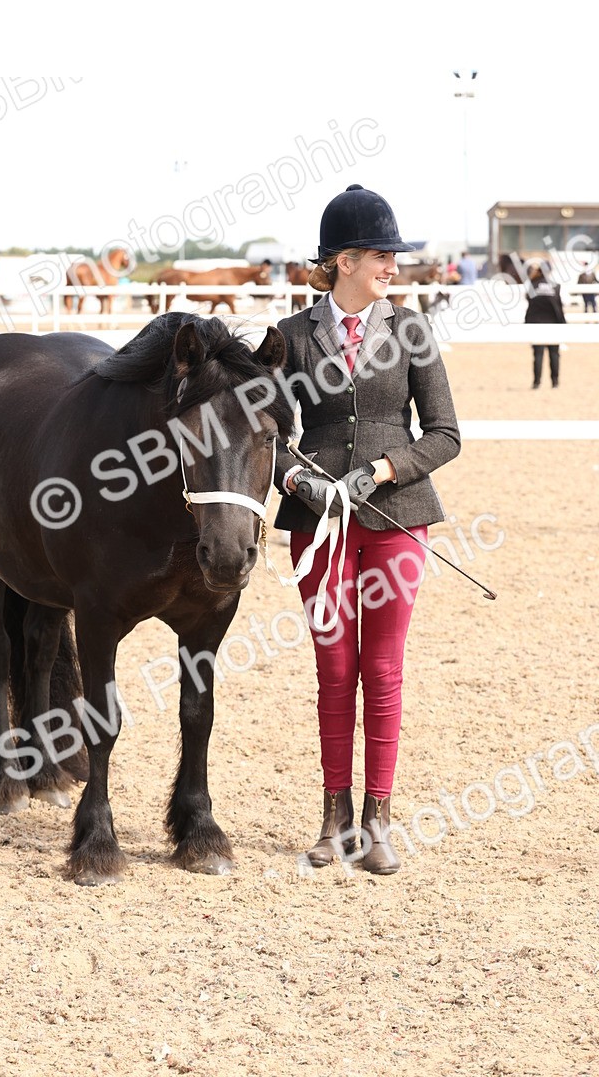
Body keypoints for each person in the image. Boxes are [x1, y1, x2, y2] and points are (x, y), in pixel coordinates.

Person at [273, 184, 461, 875]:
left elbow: (444, 434)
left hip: (396, 519)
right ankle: (333, 817)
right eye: (383, 254)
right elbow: (266, 440)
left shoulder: (411, 328)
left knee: (381, 669)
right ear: (346, 259)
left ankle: (378, 819)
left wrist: (382, 469)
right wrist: (298, 478)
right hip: (317, 524)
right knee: (334, 669)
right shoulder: (291, 337)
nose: (393, 265)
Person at [524, 263, 566, 388]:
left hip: (536, 324)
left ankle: (537, 382)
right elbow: (559, 307)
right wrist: (563, 324)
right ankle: (555, 382)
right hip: (553, 325)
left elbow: (529, 302)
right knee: (554, 354)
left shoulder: (532, 285)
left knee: (538, 354)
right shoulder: (556, 286)